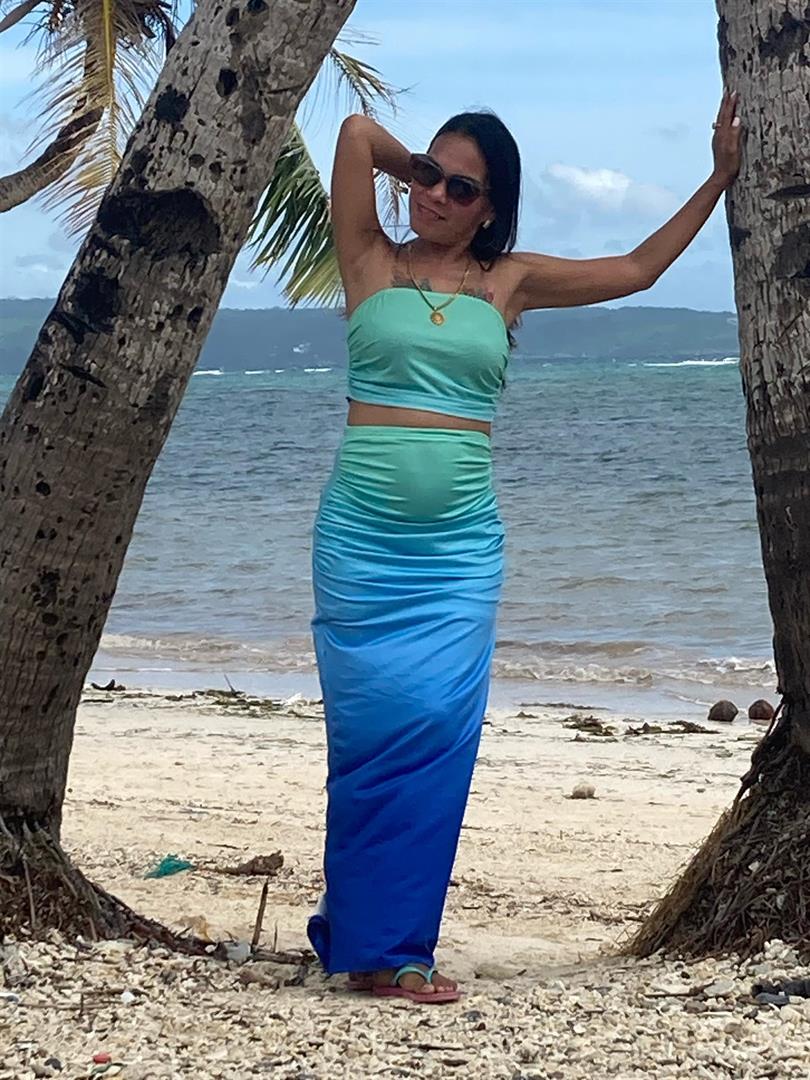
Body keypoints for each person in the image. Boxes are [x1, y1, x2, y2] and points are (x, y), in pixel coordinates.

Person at [307, 94, 742, 1004]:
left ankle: (400, 951)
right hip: (363, 544)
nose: (436, 195)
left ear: (492, 209)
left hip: (458, 554)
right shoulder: (368, 257)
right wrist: (416, 169)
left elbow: (638, 268)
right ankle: (359, 941)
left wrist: (718, 178)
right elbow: (354, 134)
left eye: (461, 188)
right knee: (367, 742)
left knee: (436, 741)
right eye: (428, 175)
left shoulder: (509, 283)